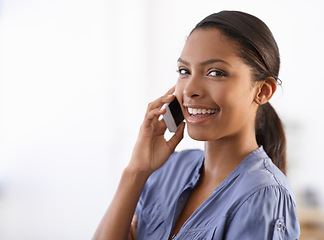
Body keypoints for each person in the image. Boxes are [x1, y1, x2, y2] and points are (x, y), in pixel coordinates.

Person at [93, 11, 300, 239]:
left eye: (215, 72)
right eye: (185, 71)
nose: (190, 89)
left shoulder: (263, 195)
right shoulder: (169, 169)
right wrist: (136, 171)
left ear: (262, 91)